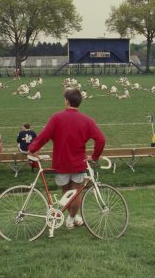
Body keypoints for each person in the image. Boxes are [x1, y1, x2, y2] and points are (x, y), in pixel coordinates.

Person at [28, 88, 106, 229]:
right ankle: (72, 218)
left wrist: (32, 149)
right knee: (76, 193)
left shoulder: (57, 117)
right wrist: (94, 156)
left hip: (61, 163)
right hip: (78, 163)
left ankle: (71, 217)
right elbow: (101, 139)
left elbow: (44, 136)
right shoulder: (87, 120)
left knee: (66, 192)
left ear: (67, 101)